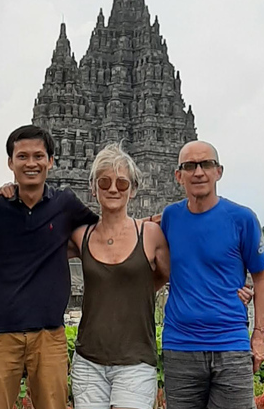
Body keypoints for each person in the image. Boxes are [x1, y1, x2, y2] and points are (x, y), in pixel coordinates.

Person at [0, 125, 99, 409]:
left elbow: (106, 234)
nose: (31, 163)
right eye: (22, 156)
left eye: (38, 156)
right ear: (10, 162)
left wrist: (159, 222)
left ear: (50, 161)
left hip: (49, 334)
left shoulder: (65, 203)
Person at [160, 141, 264, 409]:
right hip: (180, 344)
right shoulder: (169, 218)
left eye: (206, 164)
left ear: (218, 171)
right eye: (190, 166)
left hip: (230, 344)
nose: (198, 172)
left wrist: (258, 335)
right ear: (179, 176)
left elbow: (262, 277)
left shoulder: (242, 219)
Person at [69, 143, 170, 409]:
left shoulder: (150, 234)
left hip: (135, 361)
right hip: (88, 360)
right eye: (104, 182)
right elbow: (36, 250)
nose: (113, 189)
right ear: (93, 188)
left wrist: (233, 290)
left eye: (122, 183)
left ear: (133, 190)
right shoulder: (81, 235)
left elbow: (171, 276)